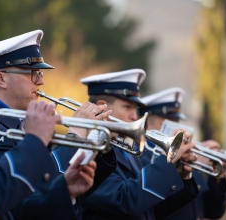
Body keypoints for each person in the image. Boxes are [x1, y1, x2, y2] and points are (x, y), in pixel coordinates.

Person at [0, 30, 98, 219]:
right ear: (1, 78)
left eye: (39, 73)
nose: (41, 81)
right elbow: (21, 196)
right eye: (33, 74)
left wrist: (98, 138)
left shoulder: (19, 120)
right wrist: (75, 136)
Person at [54, 69, 200, 219]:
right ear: (103, 107)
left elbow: (150, 210)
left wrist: (180, 174)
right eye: (127, 107)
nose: (134, 116)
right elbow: (123, 201)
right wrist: (166, 161)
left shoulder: (130, 152)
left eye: (134, 109)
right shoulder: (87, 155)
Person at [138, 87, 226, 220]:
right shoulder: (141, 159)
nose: (175, 128)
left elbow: (213, 211)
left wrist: (217, 176)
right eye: (166, 122)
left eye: (176, 122)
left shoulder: (186, 157)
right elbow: (155, 210)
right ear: (147, 125)